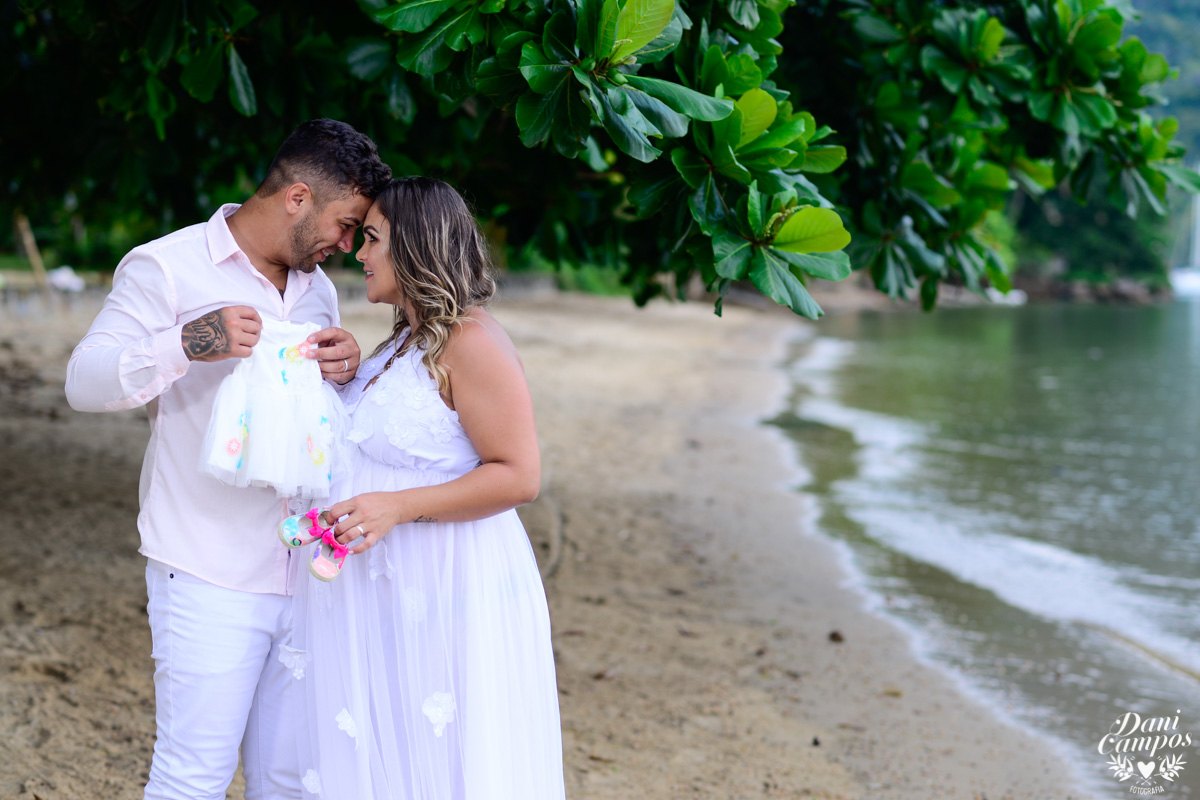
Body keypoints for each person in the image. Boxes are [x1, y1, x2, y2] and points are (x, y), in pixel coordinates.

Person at [64, 119, 392, 800]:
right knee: (193, 779)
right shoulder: (166, 266)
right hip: (207, 571)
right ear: (298, 197)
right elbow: (83, 382)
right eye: (345, 222)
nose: (349, 243)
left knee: (291, 780)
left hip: (309, 578)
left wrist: (344, 369)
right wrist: (184, 343)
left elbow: (314, 419)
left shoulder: (317, 291)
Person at [288, 177, 566, 799]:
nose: (359, 253)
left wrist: (398, 508)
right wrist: (347, 376)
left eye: (374, 239)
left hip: (448, 582)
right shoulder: (404, 341)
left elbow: (519, 474)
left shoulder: (473, 341)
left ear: (416, 248)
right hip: (392, 585)